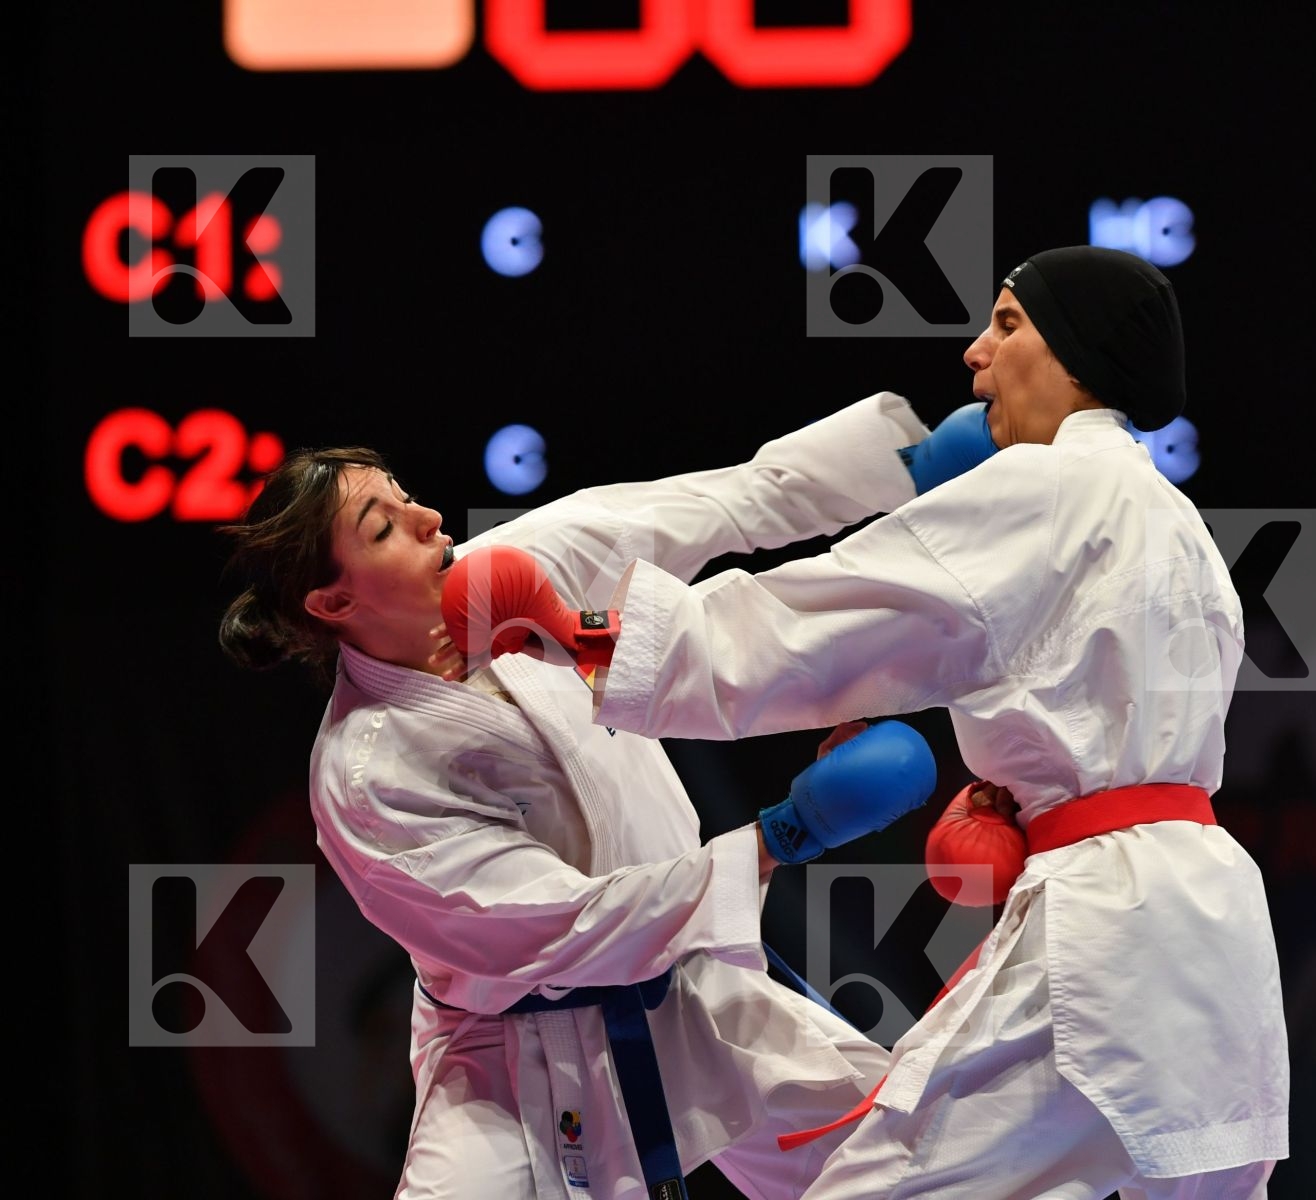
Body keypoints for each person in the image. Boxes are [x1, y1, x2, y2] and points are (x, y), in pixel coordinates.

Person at [581, 248, 1291, 1198]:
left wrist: (592, 633)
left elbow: (825, 616)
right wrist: (1024, 783)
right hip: (1214, 932)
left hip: (1106, 932)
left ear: (1075, 355)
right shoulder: (1178, 521)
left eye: (1007, 324)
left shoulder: (1046, 486)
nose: (974, 353)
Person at [215, 392, 997, 1200]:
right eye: (384, 528)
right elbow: (565, 928)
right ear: (333, 602)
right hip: (519, 1060)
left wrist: (908, 467)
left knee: (926, 1173)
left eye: (405, 496)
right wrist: (784, 836)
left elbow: (731, 498)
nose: (429, 518)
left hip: (698, 988)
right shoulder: (366, 775)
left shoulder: (522, 564)